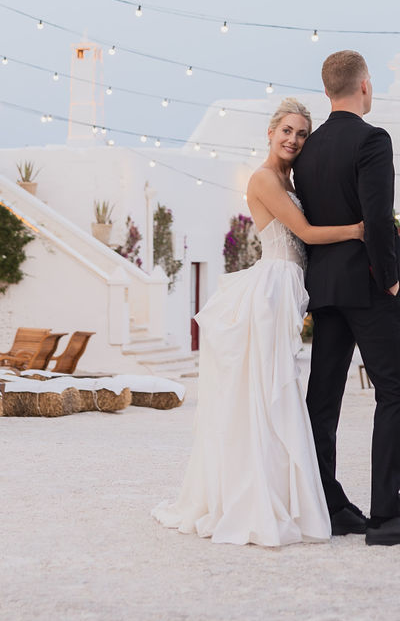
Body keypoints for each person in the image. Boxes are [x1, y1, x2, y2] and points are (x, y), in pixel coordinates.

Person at [152, 99, 364, 547]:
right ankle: (260, 498)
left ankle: (285, 493)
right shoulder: (264, 179)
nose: (293, 139)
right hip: (272, 287)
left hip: (290, 287)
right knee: (272, 394)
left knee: (279, 391)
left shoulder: (292, 178)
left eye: (302, 133)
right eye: (287, 130)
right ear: (270, 132)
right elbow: (304, 235)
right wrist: (358, 229)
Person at [293, 50, 400, 546]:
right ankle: (386, 514)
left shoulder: (308, 149)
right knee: (398, 390)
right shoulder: (372, 139)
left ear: (326, 92)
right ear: (364, 87)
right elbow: (377, 217)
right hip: (368, 285)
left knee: (324, 399)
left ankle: (330, 504)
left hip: (326, 291)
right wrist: (391, 279)